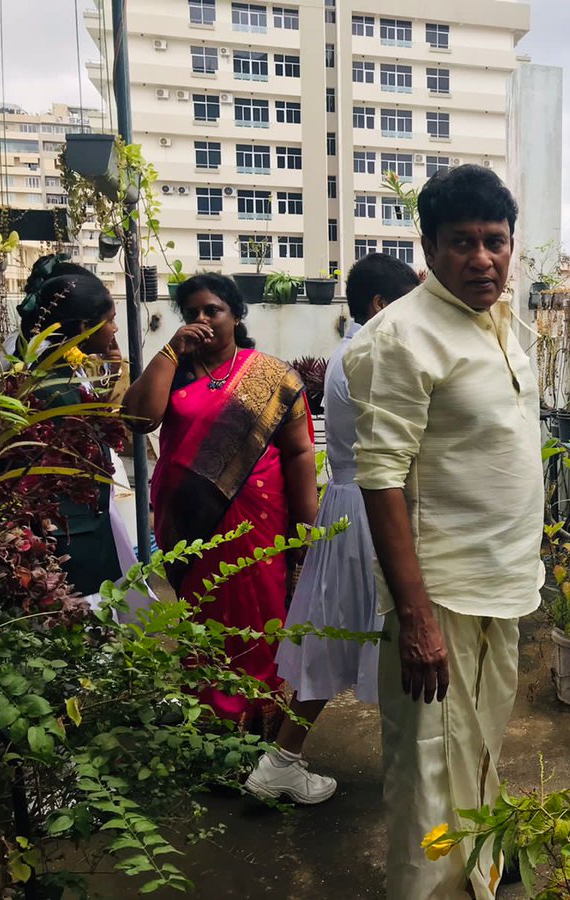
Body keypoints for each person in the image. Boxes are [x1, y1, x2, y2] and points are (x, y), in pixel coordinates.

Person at [343, 164, 540, 899]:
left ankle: (479, 879)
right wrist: (417, 616)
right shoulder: (402, 336)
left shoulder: (501, 322)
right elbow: (380, 477)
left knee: (480, 751)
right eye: (462, 242)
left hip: (502, 585)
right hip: (441, 594)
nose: (483, 258)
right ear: (428, 248)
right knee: (429, 766)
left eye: (496, 241)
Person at [247, 253, 420, 804]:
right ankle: (411, 772)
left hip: (351, 506)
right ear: (381, 304)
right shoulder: (374, 355)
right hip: (375, 509)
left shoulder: (350, 352)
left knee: (335, 635)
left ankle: (282, 760)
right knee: (393, 635)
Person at [123, 274, 318, 736]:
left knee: (259, 613)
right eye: (192, 312)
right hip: (190, 523)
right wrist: (171, 350)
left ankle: (259, 721)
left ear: (236, 316)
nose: (202, 319)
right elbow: (138, 418)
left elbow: (298, 451)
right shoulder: (174, 370)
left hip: (258, 521)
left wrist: (308, 524)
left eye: (213, 310)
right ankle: (211, 721)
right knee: (203, 614)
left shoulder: (270, 376)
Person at [15, 256, 127, 602]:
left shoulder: (59, 375)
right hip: (70, 537)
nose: (115, 330)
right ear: (83, 327)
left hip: (79, 527)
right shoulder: (55, 391)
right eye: (110, 321)